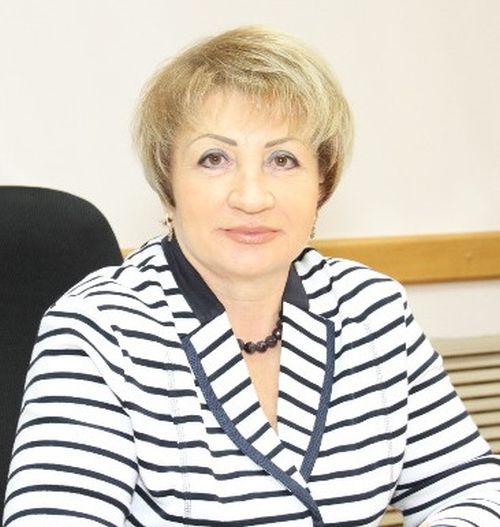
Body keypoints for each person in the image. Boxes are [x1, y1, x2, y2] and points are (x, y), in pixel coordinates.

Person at [3, 26, 500, 527]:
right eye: (214, 159)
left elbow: (472, 488)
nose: (252, 196)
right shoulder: (101, 330)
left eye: (282, 160)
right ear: (168, 186)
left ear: (321, 184)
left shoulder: (370, 309)